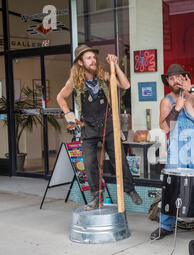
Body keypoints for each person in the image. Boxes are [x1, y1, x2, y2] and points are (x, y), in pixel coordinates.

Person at [57, 44, 142, 210]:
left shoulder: (104, 75)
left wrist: (115, 65)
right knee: (89, 164)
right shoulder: (74, 81)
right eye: (89, 58)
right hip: (88, 126)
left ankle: (130, 190)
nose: (93, 60)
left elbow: (125, 85)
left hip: (108, 125)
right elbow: (60, 97)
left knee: (120, 159)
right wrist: (69, 115)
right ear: (80, 62)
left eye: (94, 57)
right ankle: (96, 197)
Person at [150, 64, 194, 240]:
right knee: (170, 186)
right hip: (177, 149)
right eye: (171, 78)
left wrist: (192, 89)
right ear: (168, 81)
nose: (175, 80)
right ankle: (165, 225)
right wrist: (177, 107)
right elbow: (164, 127)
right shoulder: (166, 101)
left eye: (178, 77)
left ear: (184, 77)